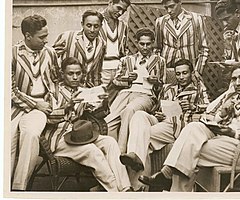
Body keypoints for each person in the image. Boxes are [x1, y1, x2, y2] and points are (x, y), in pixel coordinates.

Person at [139, 63, 240, 191]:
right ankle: (169, 180)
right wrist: (222, 113)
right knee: (193, 127)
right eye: (234, 79)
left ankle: (168, 179)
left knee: (189, 149)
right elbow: (209, 113)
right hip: (221, 141)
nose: (237, 83)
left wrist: (234, 133)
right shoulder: (232, 97)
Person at [42, 57, 134, 192]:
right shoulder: (52, 92)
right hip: (58, 139)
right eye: (70, 74)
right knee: (92, 151)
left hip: (81, 136)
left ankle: (125, 188)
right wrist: (67, 107)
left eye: (78, 73)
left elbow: (96, 114)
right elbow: (47, 118)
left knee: (110, 142)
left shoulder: (83, 91)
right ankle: (115, 192)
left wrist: (104, 103)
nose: (75, 77)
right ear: (62, 74)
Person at [119, 59, 209, 189]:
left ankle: (139, 186)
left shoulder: (198, 89)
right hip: (164, 121)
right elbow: (156, 108)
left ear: (192, 73)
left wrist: (193, 106)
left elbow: (209, 107)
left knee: (142, 137)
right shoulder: (168, 88)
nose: (181, 77)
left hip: (179, 125)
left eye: (185, 73)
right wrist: (158, 114)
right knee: (139, 115)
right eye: (178, 74)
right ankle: (134, 156)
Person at [11, 15, 59, 190]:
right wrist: (33, 103)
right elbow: (8, 89)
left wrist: (52, 102)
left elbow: (56, 81)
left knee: (30, 135)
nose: (46, 40)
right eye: (42, 37)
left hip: (42, 107)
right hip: (14, 107)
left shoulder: (51, 53)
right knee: (7, 140)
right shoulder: (11, 53)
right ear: (27, 36)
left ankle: (19, 188)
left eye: (47, 35)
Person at [104, 28, 166, 153]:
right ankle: (111, 153)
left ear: (153, 43)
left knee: (129, 110)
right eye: (142, 44)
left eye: (148, 44)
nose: (145, 47)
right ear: (137, 43)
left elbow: (163, 86)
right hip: (125, 93)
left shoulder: (160, 61)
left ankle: (122, 152)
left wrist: (156, 82)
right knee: (109, 121)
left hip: (146, 94)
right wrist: (127, 79)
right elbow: (116, 81)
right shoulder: (127, 60)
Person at [155, 0, 209, 79]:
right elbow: (157, 49)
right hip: (168, 71)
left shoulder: (196, 19)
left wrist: (198, 70)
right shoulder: (161, 22)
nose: (169, 11)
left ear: (180, 2)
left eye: (172, 6)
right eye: (166, 8)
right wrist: (159, 71)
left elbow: (204, 48)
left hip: (190, 72)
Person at [53, 10, 105, 87]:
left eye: (96, 26)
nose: (92, 30)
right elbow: (52, 60)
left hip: (88, 89)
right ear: (82, 24)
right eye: (89, 25)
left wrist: (97, 89)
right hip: (67, 88)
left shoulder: (101, 43)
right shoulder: (68, 37)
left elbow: (97, 72)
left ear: (101, 26)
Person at [99, 0, 131, 103]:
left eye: (124, 10)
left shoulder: (123, 26)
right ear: (110, 2)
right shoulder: (96, 21)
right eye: (119, 8)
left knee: (114, 103)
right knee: (99, 102)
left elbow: (125, 49)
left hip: (117, 70)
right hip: (101, 69)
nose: (121, 12)